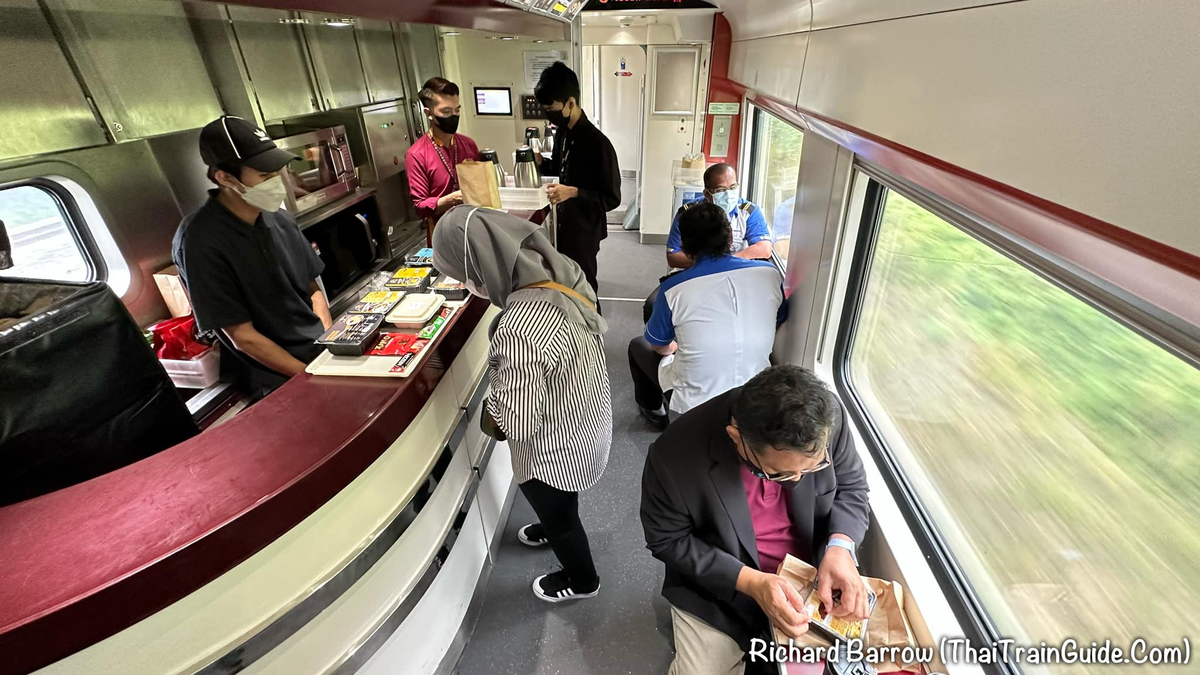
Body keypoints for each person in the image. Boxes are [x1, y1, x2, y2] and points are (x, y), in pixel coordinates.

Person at [432, 205, 612, 603]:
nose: (466, 284)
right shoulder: (562, 273)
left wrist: (489, 411)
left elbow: (519, 420)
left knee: (561, 515)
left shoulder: (519, 325)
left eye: (463, 274)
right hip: (588, 417)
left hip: (555, 452)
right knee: (562, 505)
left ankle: (583, 580)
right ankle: (554, 523)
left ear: (480, 264)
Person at [640, 365, 871, 675]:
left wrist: (840, 548)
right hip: (720, 587)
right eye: (780, 474)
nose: (798, 481)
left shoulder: (830, 420)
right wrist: (752, 581)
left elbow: (853, 486)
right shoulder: (674, 457)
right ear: (737, 439)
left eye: (812, 469)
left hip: (812, 574)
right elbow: (667, 540)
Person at [173, 115, 333, 401]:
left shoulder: (280, 219)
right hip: (275, 380)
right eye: (264, 176)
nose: (277, 182)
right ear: (225, 177)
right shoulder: (200, 242)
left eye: (277, 171)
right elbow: (242, 336)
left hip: (318, 357)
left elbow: (312, 290)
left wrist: (331, 344)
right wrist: (308, 375)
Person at [630, 202, 786, 429]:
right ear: (730, 236)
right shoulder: (770, 275)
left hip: (694, 404)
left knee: (638, 345)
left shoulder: (673, 289)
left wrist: (675, 348)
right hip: (756, 392)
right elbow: (777, 318)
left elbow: (657, 345)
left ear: (684, 244)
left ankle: (655, 412)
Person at [535, 61, 621, 303]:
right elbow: (560, 171)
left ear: (570, 103)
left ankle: (593, 338)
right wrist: (541, 162)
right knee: (565, 286)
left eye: (551, 108)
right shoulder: (563, 132)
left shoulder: (598, 144)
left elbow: (612, 198)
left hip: (584, 230)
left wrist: (573, 193)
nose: (549, 114)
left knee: (584, 289)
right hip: (562, 224)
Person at [644, 163, 772, 323]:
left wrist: (728, 263)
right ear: (707, 193)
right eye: (720, 190)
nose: (728, 194)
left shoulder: (748, 211)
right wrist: (710, 265)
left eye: (732, 187)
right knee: (653, 304)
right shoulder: (689, 213)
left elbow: (764, 249)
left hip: (737, 274)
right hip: (696, 272)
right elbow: (674, 256)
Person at [405, 77, 481, 237]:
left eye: (457, 110)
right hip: (442, 233)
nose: (454, 116)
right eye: (446, 112)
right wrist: (451, 199)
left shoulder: (468, 144)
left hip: (473, 227)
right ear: (429, 113)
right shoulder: (417, 154)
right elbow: (420, 206)